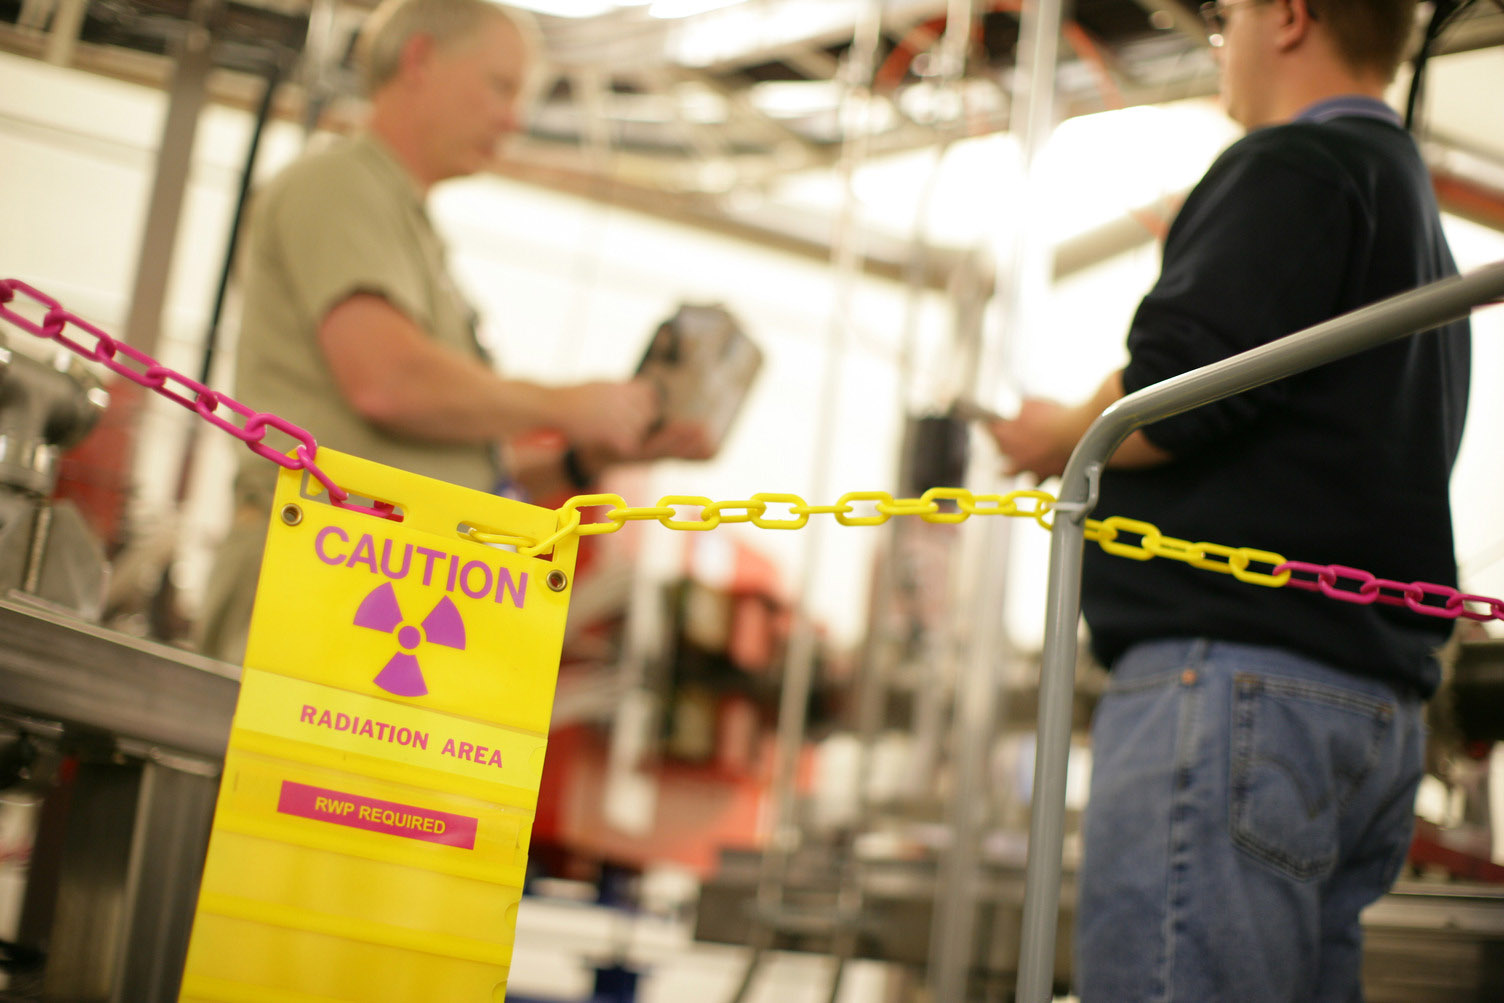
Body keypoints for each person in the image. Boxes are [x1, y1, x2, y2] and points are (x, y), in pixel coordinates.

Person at [987, 0, 1471, 999]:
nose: (1221, 41)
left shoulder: (1290, 164)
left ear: (1287, 16)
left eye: (1230, 15)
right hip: (1361, 701)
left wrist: (1058, 435)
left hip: (1232, 689)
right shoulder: (1405, 206)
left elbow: (1173, 398)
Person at [198, 0, 707, 663]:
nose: (515, 119)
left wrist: (588, 458)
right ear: (419, 60)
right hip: (322, 584)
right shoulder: (338, 185)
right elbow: (387, 383)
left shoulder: (406, 225)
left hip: (371, 589)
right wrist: (564, 403)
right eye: (501, 85)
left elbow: (427, 461)